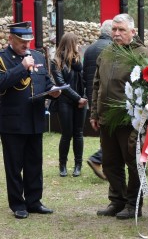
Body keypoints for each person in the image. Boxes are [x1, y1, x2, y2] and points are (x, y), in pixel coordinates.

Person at [91, 13, 148, 219]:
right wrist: (94, 112)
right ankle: (116, 201)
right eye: (114, 30)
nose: (116, 34)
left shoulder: (142, 54)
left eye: (121, 30)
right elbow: (96, 84)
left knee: (134, 163)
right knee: (110, 162)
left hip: (131, 121)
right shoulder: (106, 53)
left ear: (132, 32)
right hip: (107, 118)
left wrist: (143, 121)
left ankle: (133, 204)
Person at [0, 21, 61, 219]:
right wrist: (21, 67)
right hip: (12, 122)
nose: (26, 45)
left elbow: (45, 80)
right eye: (21, 42)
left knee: (34, 163)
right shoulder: (3, 58)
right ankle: (18, 204)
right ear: (10, 39)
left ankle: (34, 201)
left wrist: (53, 91)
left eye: (28, 41)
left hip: (35, 119)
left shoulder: (37, 55)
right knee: (14, 165)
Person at [51, 33, 88, 177]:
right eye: (77, 43)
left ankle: (78, 165)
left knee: (78, 133)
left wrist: (83, 98)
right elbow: (61, 84)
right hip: (65, 101)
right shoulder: (56, 62)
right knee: (66, 134)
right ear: (72, 44)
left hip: (80, 101)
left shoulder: (78, 60)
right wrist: (78, 98)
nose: (78, 45)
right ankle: (62, 165)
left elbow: (84, 80)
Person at [84, 20, 113, 181]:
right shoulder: (111, 49)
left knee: (105, 134)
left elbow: (84, 77)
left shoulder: (89, 49)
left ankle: (104, 164)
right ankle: (98, 159)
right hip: (107, 98)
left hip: (93, 97)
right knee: (111, 135)